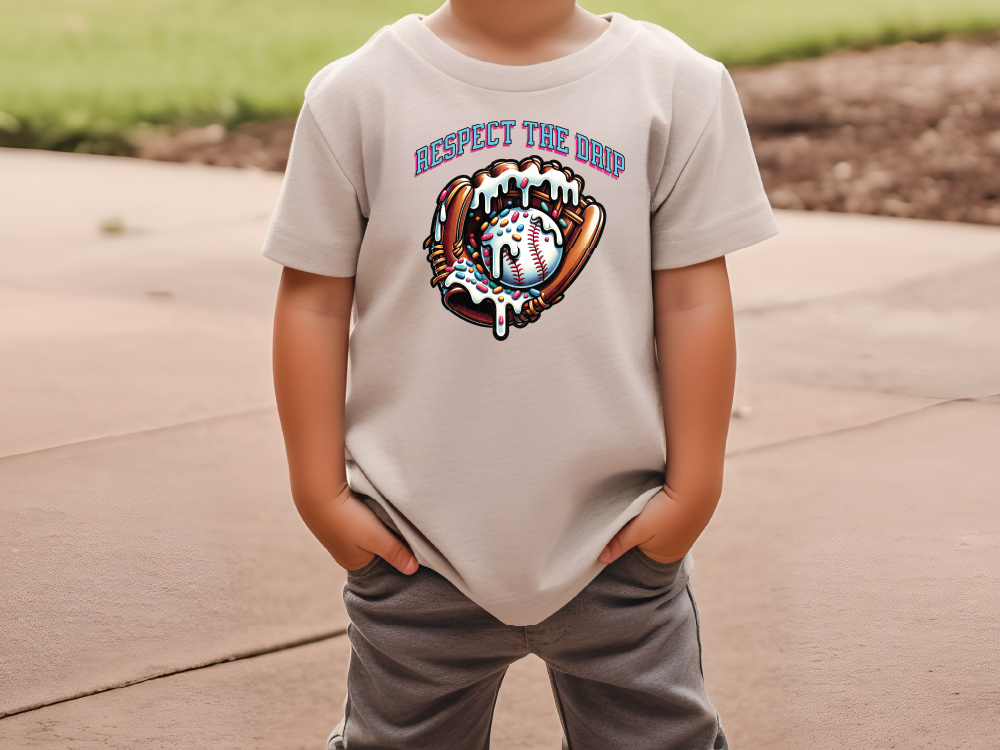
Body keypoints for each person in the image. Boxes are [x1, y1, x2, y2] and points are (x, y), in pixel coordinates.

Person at [263, 1, 777, 747]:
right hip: (413, 543)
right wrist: (320, 493)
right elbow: (312, 301)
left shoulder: (675, 88)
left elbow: (695, 299)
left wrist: (694, 488)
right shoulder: (357, 95)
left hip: (617, 539)